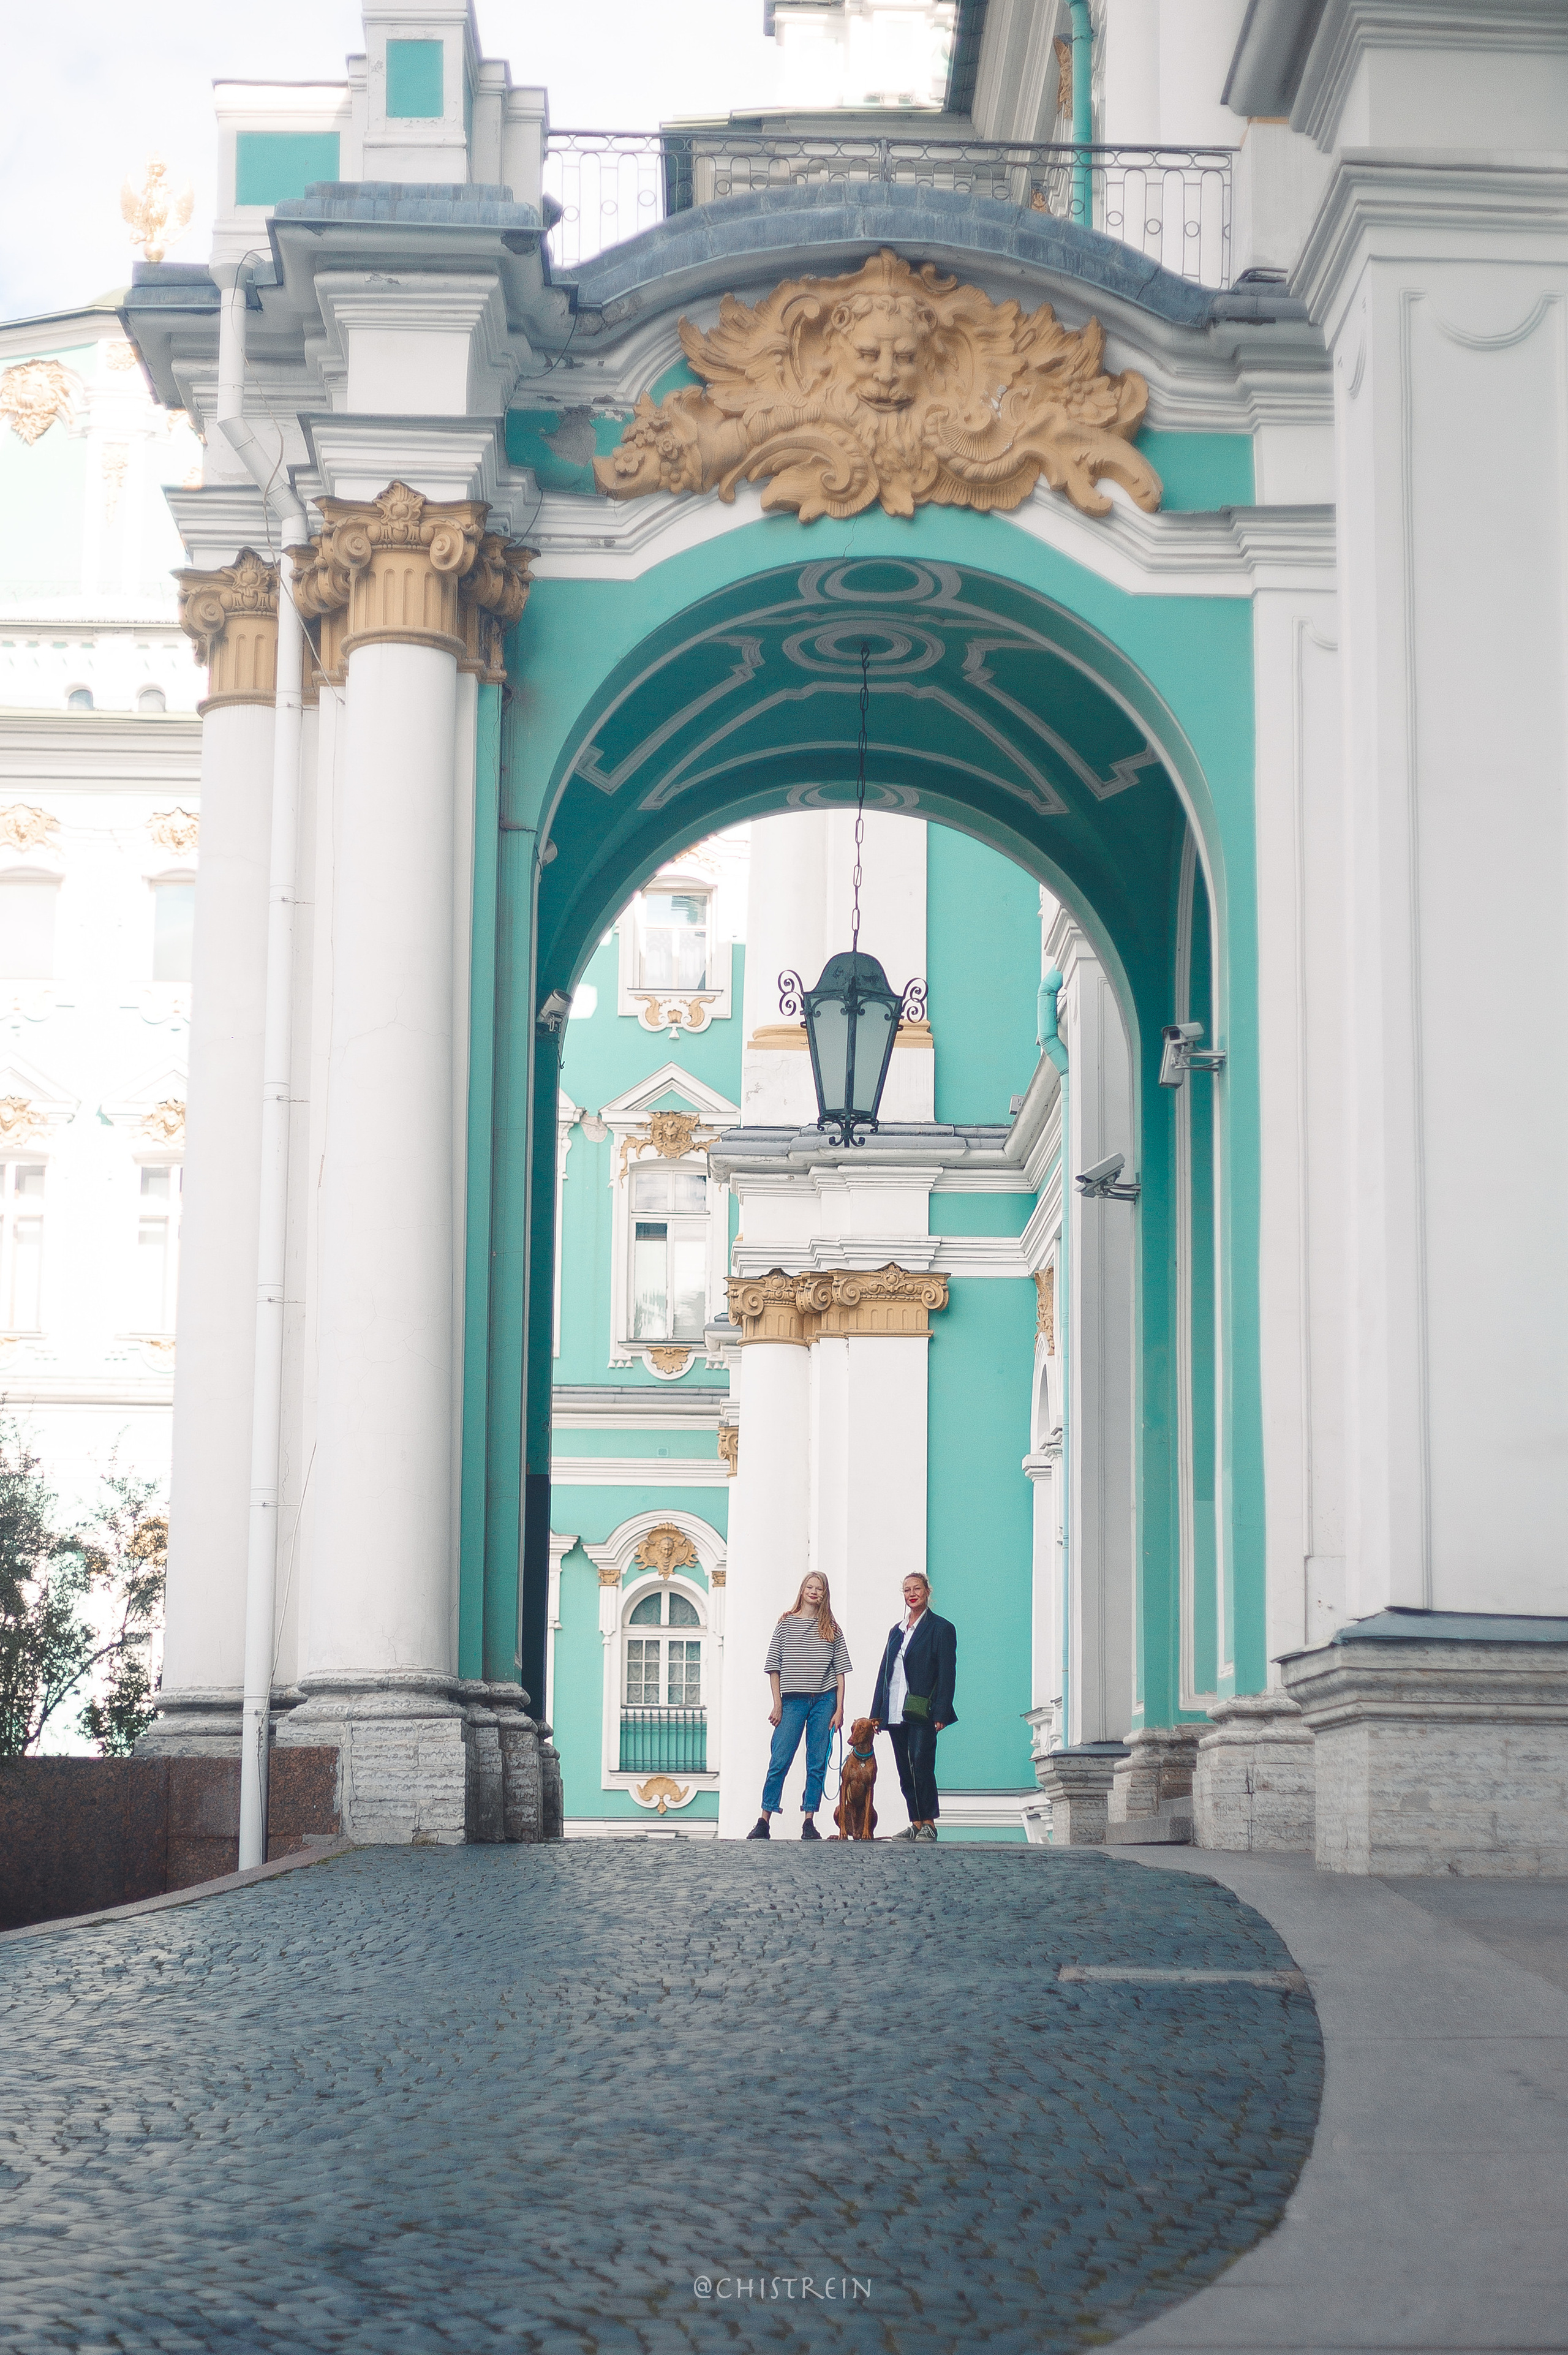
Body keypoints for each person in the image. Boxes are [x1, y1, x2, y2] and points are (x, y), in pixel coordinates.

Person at [746, 1572, 851, 1841]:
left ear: (825, 1594)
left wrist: (839, 1710)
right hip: (792, 1700)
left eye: (819, 1589)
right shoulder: (785, 1624)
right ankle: (764, 1819)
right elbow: (774, 1667)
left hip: (824, 1699)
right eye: (810, 1587)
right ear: (802, 1590)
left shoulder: (832, 1628)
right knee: (780, 1759)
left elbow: (840, 1672)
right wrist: (777, 1704)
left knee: (816, 1761)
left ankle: (809, 1820)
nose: (814, 1592)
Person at [869, 1572, 956, 1842]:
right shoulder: (896, 1631)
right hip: (895, 1708)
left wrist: (941, 1711)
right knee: (904, 1768)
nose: (911, 1594)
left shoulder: (941, 1628)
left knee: (921, 1763)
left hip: (923, 1710)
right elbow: (885, 1671)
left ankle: (929, 1822)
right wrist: (877, 1713)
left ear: (927, 1591)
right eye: (907, 1590)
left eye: (916, 1588)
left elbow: (947, 1673)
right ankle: (915, 1823)